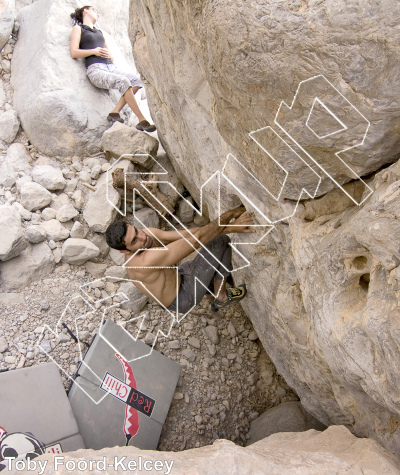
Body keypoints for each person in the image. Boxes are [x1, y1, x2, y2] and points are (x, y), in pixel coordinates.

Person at [105, 206, 255, 314]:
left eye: (136, 231)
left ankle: (210, 289)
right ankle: (221, 296)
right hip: (182, 296)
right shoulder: (144, 262)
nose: (142, 237)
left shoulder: (146, 235)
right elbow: (197, 240)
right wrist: (230, 217)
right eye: (134, 241)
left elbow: (191, 234)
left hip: (180, 274)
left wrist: (227, 225)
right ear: (125, 251)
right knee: (220, 241)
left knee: (206, 251)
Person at [70, 5, 156, 132]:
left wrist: (109, 55)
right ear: (85, 11)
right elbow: (74, 52)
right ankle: (142, 119)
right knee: (124, 82)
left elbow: (111, 56)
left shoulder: (99, 32)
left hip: (110, 67)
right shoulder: (78, 28)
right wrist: (94, 51)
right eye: (95, 11)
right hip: (96, 69)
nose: (97, 15)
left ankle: (115, 111)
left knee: (137, 80)